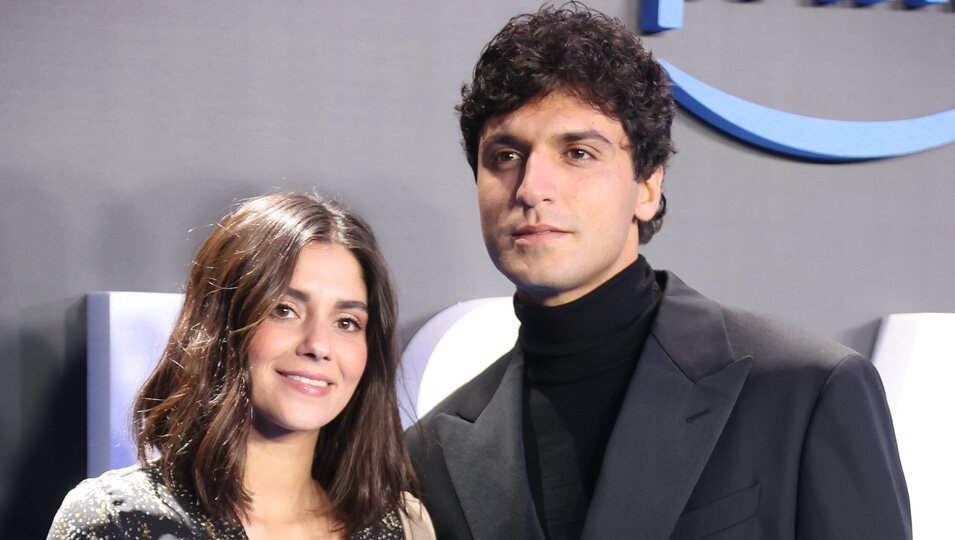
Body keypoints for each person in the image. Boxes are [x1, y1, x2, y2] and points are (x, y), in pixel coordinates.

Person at [406, 4, 910, 539]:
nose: (531, 187)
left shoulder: (804, 389)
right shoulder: (427, 455)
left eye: (577, 152)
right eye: (505, 156)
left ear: (647, 186)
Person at [49, 193, 434, 539]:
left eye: (347, 322)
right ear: (222, 325)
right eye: (284, 310)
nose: (318, 345)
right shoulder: (116, 521)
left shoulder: (397, 525)